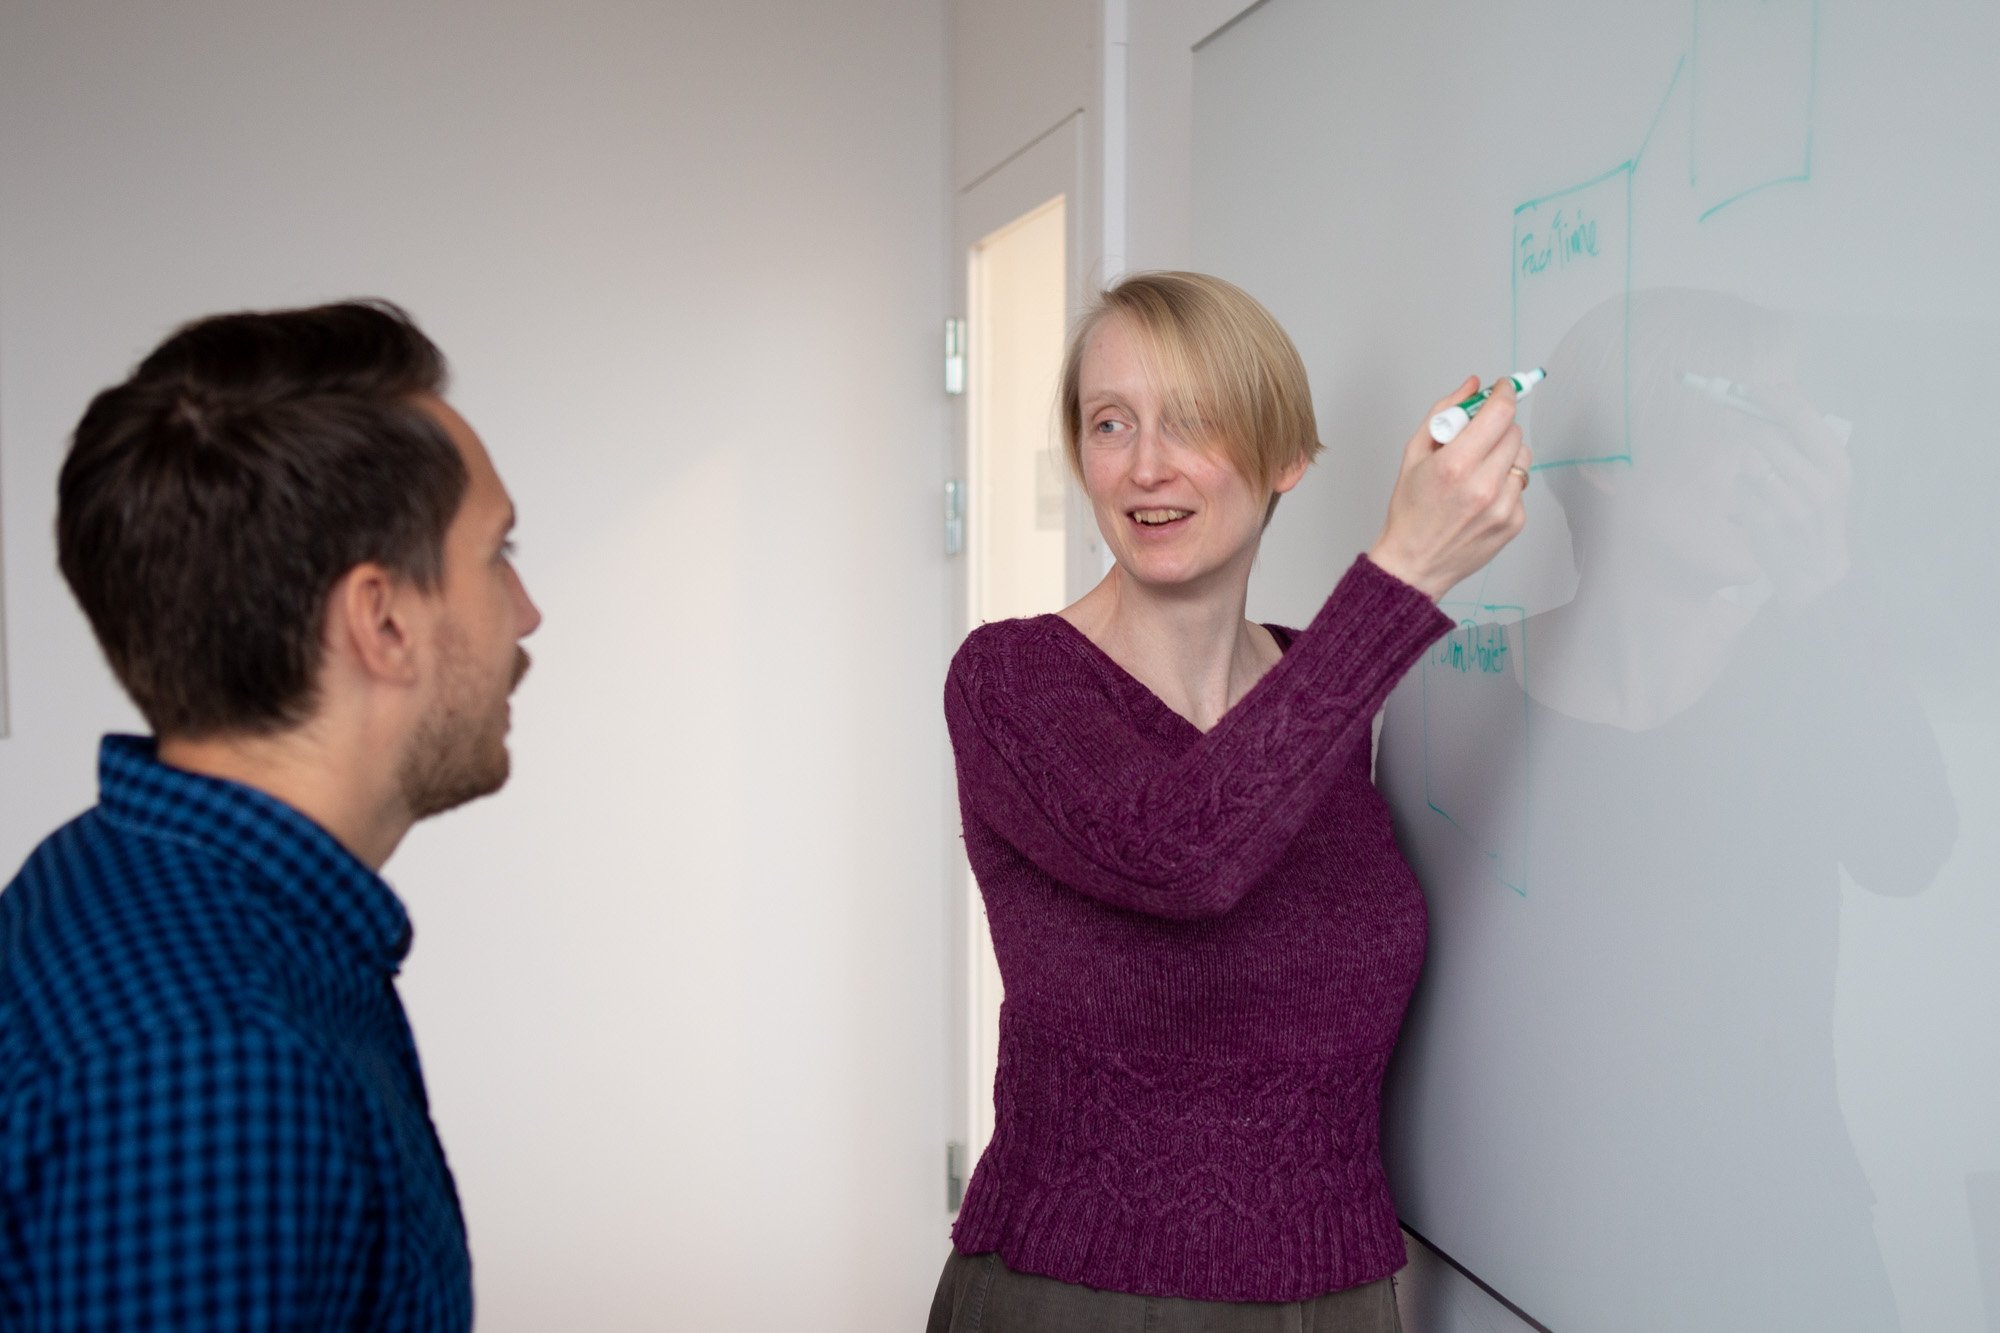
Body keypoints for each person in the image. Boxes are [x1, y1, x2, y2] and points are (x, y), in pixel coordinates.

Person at [929, 272, 1530, 1330]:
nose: (1144, 465)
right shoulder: (1010, 681)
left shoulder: (1321, 689)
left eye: (1192, 421)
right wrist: (1402, 571)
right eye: (1108, 423)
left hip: (1340, 1296)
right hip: (1083, 1301)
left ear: (1287, 455)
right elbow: (1181, 853)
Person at [0, 301, 540, 1330]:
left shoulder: (118, 879)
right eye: (498, 552)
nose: (525, 611)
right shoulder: (214, 1066)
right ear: (380, 619)